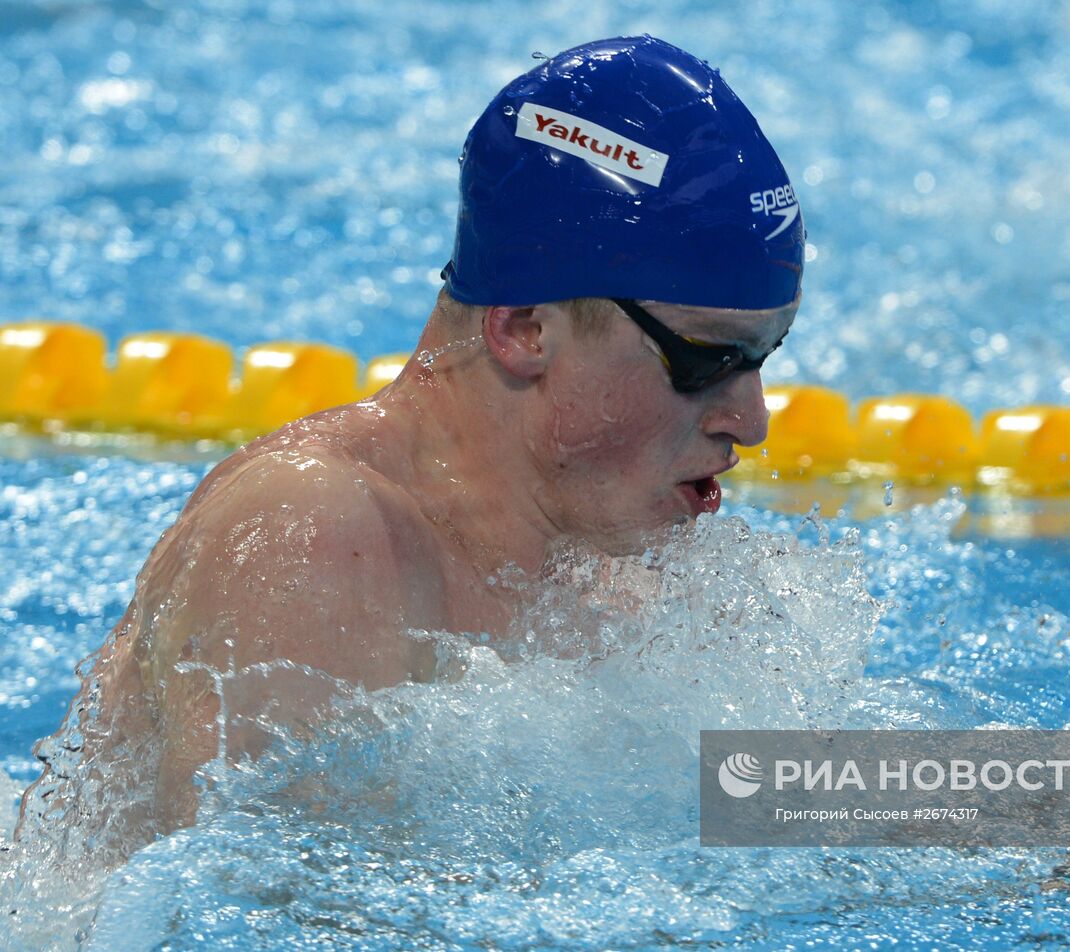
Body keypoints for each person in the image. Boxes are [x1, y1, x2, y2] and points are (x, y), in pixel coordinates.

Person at [14, 35, 804, 863]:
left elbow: (762, 805)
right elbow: (246, 915)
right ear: (526, 327)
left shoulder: (614, 572)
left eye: (762, 360)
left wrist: (946, 807)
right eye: (709, 360)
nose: (750, 420)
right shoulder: (317, 538)